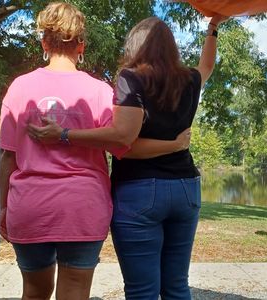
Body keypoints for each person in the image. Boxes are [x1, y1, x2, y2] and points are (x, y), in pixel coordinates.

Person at [28, 14, 227, 299]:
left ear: (135, 45)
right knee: (177, 286)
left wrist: (63, 134)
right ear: (171, 46)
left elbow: (124, 141)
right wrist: (213, 28)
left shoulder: (131, 78)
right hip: (186, 188)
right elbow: (207, 65)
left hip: (141, 190)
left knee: (142, 290)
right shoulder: (189, 79)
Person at [0, 3, 190, 299]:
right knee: (75, 292)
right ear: (81, 45)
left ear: (44, 42)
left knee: (34, 292)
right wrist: (174, 144)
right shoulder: (100, 91)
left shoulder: (19, 88)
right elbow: (121, 145)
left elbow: (7, 155)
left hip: (29, 205)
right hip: (82, 207)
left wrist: (3, 206)